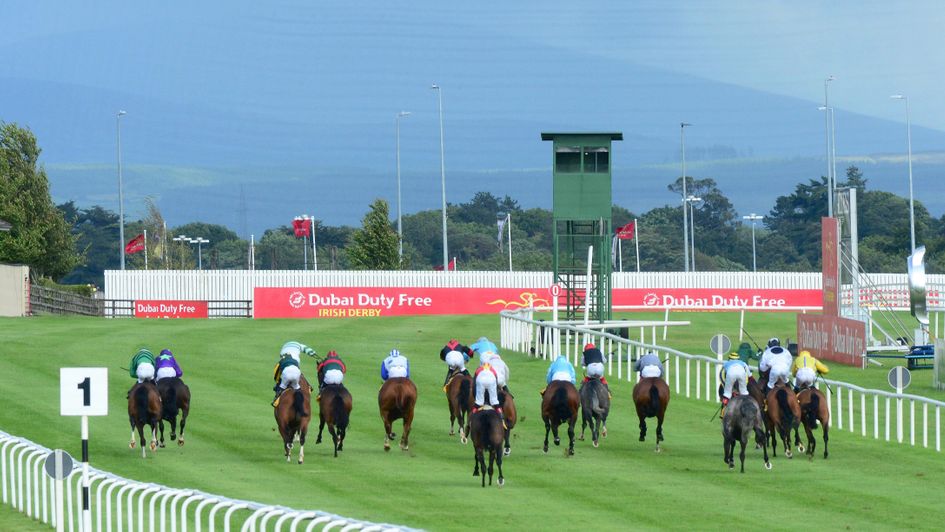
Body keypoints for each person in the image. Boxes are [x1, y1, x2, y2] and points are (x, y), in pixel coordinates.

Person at [272, 341, 316, 406]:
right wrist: (313, 353)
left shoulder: (282, 357)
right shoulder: (298, 350)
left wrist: (277, 383)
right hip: (296, 371)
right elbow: (308, 350)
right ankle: (308, 388)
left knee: (281, 387)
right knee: (298, 387)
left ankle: (275, 401)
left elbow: (277, 375)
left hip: (286, 374)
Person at [719, 353, 751, 417]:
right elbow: (748, 375)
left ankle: (723, 412)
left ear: (729, 358)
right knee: (744, 392)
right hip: (742, 373)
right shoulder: (743, 363)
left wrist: (726, 386)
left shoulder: (726, 363)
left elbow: (721, 375)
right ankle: (748, 408)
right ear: (738, 359)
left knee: (727, 393)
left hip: (730, 374)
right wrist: (744, 385)